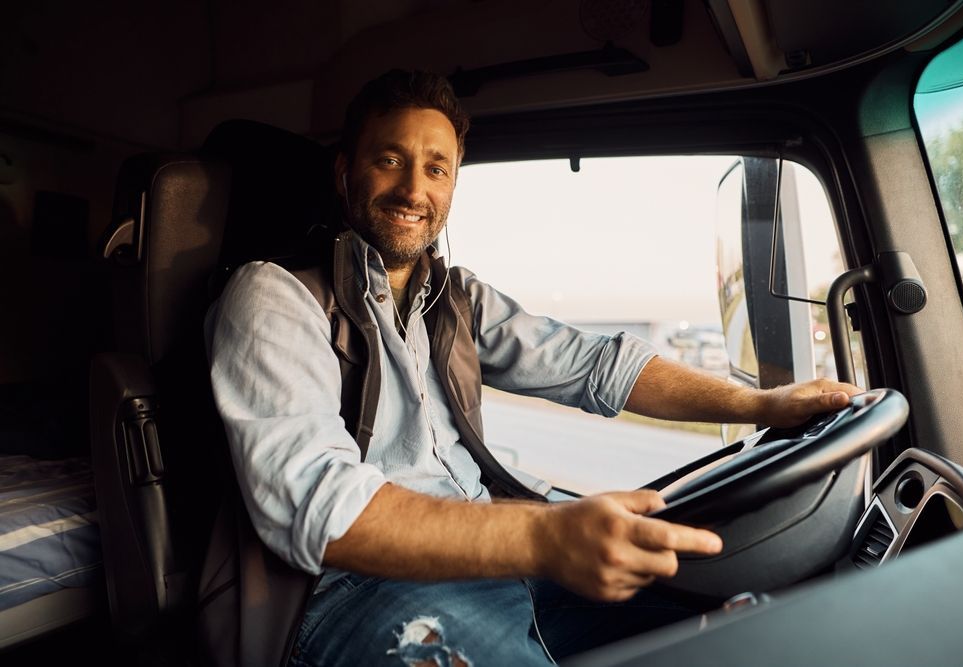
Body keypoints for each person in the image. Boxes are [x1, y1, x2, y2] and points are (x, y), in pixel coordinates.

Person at [206, 69, 861, 666]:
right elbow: (323, 509)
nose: (414, 188)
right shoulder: (275, 296)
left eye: (437, 169)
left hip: (500, 554)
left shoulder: (454, 297)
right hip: (356, 587)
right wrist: (545, 535)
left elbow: (596, 365)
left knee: (736, 634)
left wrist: (763, 405)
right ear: (345, 172)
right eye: (390, 160)